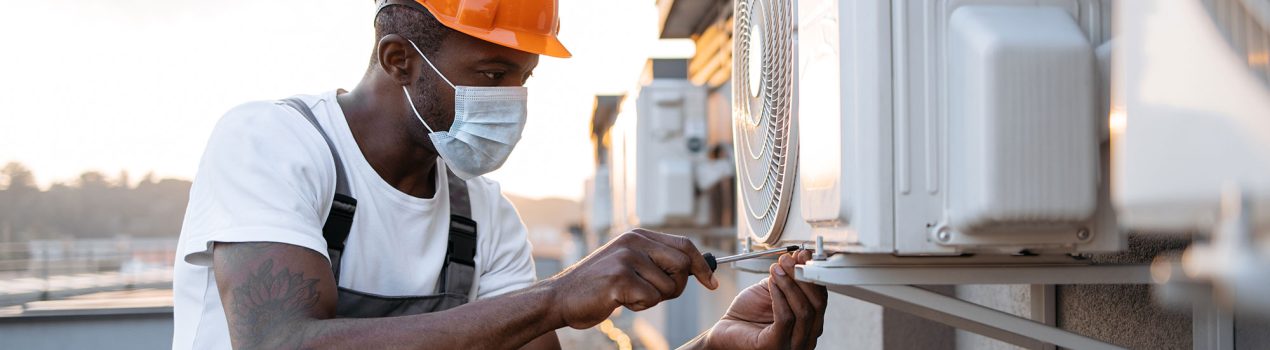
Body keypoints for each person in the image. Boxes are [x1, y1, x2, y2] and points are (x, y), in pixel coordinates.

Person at [171, 0, 828, 349]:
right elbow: (278, 345)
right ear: (400, 58)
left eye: (523, 78)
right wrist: (556, 296)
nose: (512, 101)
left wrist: (716, 349)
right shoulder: (275, 143)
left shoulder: (483, 217)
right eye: (491, 75)